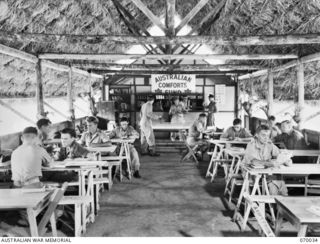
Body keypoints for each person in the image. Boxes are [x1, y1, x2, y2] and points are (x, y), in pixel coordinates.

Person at [243, 124, 292, 195]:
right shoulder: (251, 145)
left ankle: (279, 201)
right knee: (274, 181)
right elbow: (254, 161)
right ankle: (277, 202)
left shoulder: (269, 144)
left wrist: (286, 159)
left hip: (265, 173)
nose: (266, 138)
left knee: (277, 180)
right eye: (263, 135)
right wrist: (270, 163)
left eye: (268, 136)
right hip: (250, 173)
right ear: (256, 135)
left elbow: (279, 154)